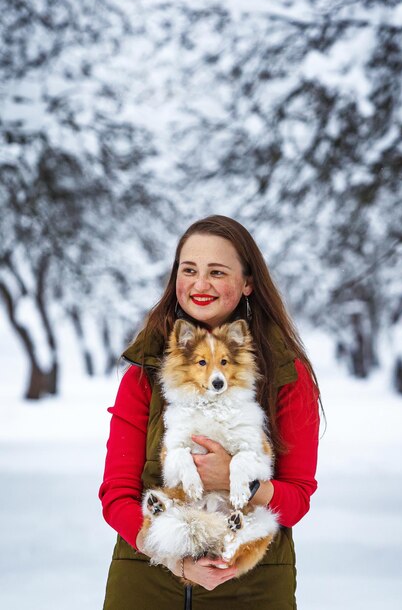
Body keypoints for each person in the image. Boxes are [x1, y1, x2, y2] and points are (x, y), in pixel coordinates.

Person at [99, 215, 321, 609]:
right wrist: (174, 559)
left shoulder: (288, 374)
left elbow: (297, 498)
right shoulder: (145, 371)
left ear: (248, 282)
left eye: (217, 272)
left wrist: (243, 483)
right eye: (189, 270)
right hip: (146, 581)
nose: (200, 285)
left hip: (249, 584)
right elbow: (117, 495)